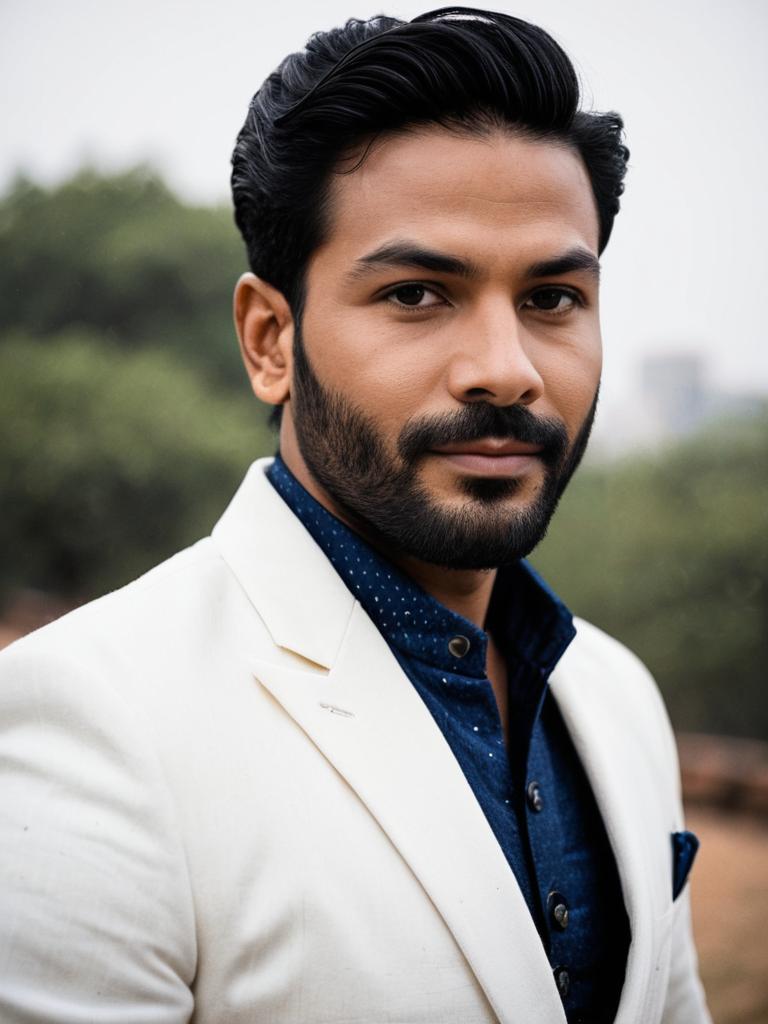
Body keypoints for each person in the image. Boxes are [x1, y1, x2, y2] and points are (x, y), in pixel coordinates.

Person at [0, 8, 711, 1023]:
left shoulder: (616, 696)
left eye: (553, 298)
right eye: (419, 293)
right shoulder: (85, 727)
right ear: (269, 340)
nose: (506, 370)